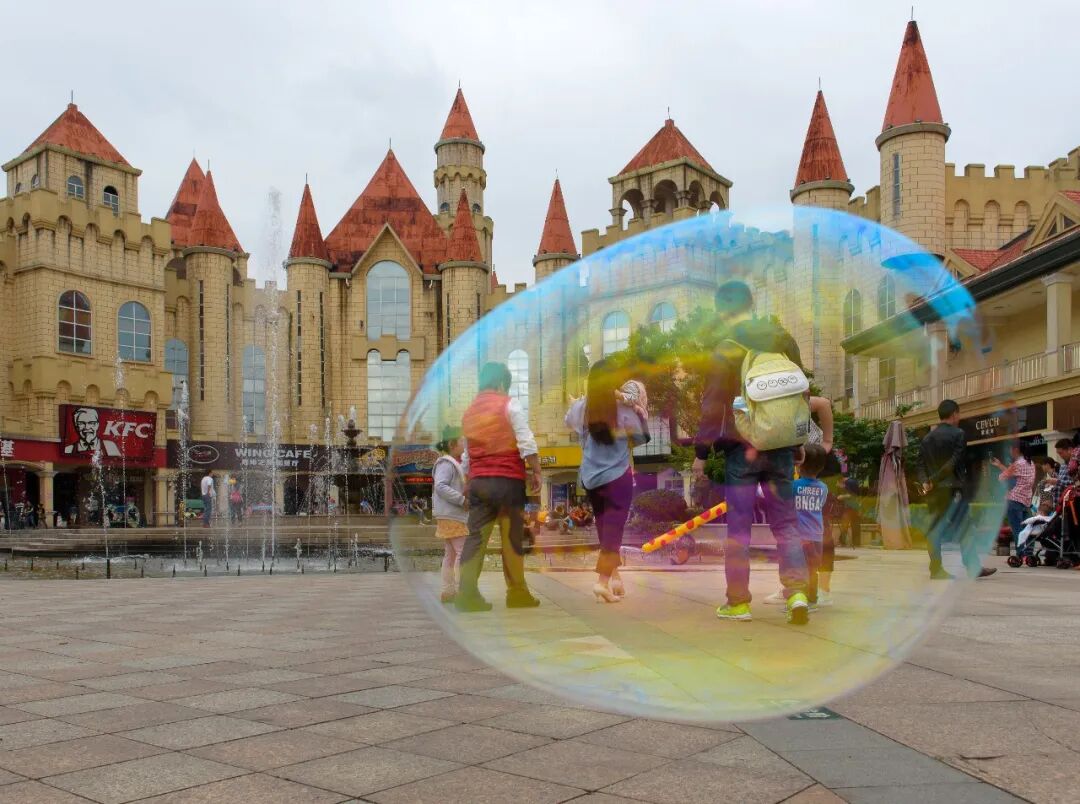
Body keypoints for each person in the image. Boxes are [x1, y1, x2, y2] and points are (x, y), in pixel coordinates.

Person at [694, 280, 811, 625]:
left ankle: (738, 603)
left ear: (721, 311)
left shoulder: (725, 349)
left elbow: (713, 404)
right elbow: (799, 394)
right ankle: (797, 593)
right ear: (752, 303)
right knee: (786, 524)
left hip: (740, 449)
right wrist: (797, 441)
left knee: (739, 530)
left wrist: (702, 452)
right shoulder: (783, 340)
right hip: (780, 447)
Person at [456, 362, 543, 612]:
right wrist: (536, 470)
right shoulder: (509, 404)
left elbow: (466, 455)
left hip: (479, 483)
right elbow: (525, 440)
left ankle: (467, 595)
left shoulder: (469, 413)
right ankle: (517, 593)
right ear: (502, 383)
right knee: (511, 538)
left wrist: (467, 482)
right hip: (508, 482)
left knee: (475, 539)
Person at [566, 359, 650, 603]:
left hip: (591, 478)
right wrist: (638, 409)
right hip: (617, 476)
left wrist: (578, 405)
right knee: (613, 531)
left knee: (605, 529)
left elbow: (568, 421)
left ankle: (615, 579)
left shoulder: (583, 405)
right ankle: (602, 583)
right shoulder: (623, 408)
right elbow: (641, 437)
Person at [918, 399, 995, 579]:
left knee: (934, 530)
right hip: (953, 489)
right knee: (965, 528)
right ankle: (973, 566)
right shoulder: (959, 434)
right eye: (959, 414)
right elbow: (954, 462)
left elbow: (920, 465)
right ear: (954, 414)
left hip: (934, 492)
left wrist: (926, 481)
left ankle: (936, 569)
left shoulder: (927, 438)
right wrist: (935, 479)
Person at [765, 444, 829, 608]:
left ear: (798, 465)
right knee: (812, 569)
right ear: (821, 467)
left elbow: (781, 499)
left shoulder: (794, 486)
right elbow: (820, 505)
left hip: (798, 535)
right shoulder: (823, 488)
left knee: (795, 567)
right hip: (816, 535)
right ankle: (812, 600)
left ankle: (797, 597)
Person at [433, 427, 469, 604]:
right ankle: (463, 591)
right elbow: (440, 486)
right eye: (461, 441)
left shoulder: (452, 463)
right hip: (453, 515)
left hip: (448, 514)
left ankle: (448, 591)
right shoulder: (446, 463)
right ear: (452, 444)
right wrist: (462, 500)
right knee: (463, 553)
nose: (464, 444)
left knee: (451, 554)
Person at [991, 442, 1035, 546]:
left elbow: (1002, 477)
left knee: (1017, 531)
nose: (1010, 452)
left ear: (1016, 450)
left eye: (1011, 449)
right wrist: (1000, 465)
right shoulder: (1031, 463)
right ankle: (1028, 553)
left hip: (1014, 500)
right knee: (1028, 530)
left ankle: (1021, 553)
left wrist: (1003, 470)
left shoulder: (1017, 464)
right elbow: (1015, 474)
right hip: (1026, 501)